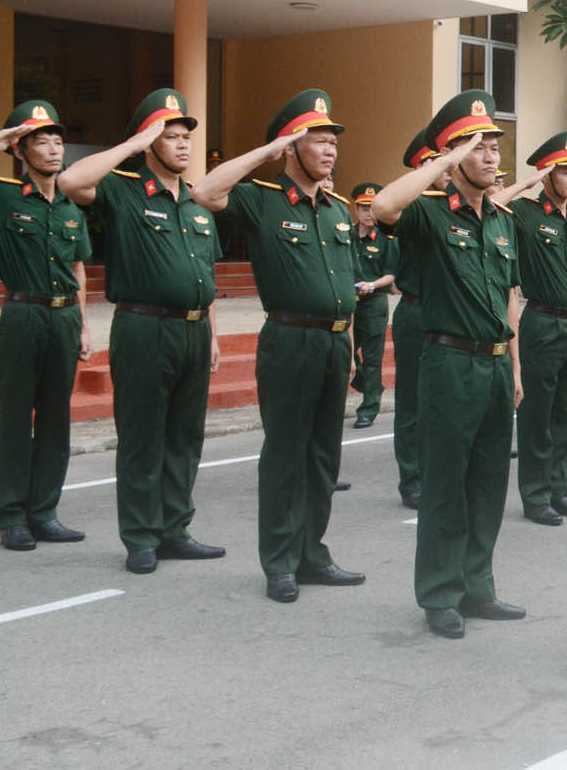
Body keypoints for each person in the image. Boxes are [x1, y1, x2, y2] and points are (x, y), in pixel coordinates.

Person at [193, 89, 363, 603]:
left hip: (334, 343)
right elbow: (204, 192)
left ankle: (313, 553)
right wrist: (265, 153)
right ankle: (280, 561)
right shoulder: (261, 200)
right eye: (318, 140)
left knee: (323, 457)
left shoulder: (337, 209)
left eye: (333, 140)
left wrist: (351, 345)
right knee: (286, 454)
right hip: (289, 341)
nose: (330, 149)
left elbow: (347, 282)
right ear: (291, 146)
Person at [372, 90, 528, 638]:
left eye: (493, 147)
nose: (491, 156)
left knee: (488, 484)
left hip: (491, 366)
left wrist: (513, 369)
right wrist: (442, 159)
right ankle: (440, 593)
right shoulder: (430, 215)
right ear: (454, 154)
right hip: (448, 363)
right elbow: (382, 208)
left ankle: (476, 587)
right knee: (445, 484)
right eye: (478, 147)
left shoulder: (504, 220)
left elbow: (510, 297)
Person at [59, 89, 225, 575]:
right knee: (142, 437)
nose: (181, 145)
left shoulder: (196, 205)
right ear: (148, 143)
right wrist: (132, 145)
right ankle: (140, 536)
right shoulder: (124, 191)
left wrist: (212, 334)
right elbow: (71, 180)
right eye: (168, 137)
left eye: (184, 137)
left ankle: (174, 528)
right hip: (144, 328)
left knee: (185, 437)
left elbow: (208, 282)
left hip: (194, 331)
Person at [0, 103, 92, 551]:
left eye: (57, 140)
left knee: (55, 417)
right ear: (20, 150)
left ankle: (44, 511)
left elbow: (79, 267)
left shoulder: (71, 206)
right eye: (40, 140)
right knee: (15, 416)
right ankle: (11, 515)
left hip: (64, 316)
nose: (52, 148)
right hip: (23, 314)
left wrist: (83, 324)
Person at [508, 132, 567, 525]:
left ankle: (559, 489)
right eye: (565, 171)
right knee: (537, 415)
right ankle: (535, 494)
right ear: (546, 175)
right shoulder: (526, 215)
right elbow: (492, 206)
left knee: (565, 411)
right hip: (541, 323)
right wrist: (526, 183)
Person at [388, 129, 445, 510]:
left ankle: (435, 472)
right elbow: (386, 208)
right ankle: (411, 478)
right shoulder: (413, 209)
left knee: (440, 401)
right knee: (412, 402)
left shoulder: (449, 207)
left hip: (445, 312)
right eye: (437, 161)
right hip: (415, 310)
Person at [348, 182, 397, 430]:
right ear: (356, 210)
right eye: (363, 208)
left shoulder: (386, 241)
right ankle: (371, 386)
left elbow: (391, 275)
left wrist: (372, 285)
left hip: (373, 304)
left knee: (372, 357)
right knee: (345, 353)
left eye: (371, 208)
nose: (368, 213)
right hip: (347, 303)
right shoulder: (344, 236)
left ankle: (368, 408)